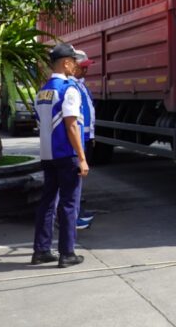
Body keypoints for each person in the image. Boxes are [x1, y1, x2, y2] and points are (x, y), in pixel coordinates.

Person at [31, 43, 89, 268]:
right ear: (65, 63)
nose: (76, 66)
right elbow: (71, 125)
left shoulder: (42, 91)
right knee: (69, 204)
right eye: (73, 62)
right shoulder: (69, 89)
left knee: (47, 202)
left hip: (48, 155)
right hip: (66, 154)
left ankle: (41, 250)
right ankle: (67, 253)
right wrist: (82, 157)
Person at [73, 49, 96, 229]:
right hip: (77, 140)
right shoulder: (71, 87)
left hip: (85, 137)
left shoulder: (81, 86)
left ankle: (77, 212)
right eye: (83, 67)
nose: (86, 70)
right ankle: (74, 217)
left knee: (78, 180)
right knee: (73, 180)